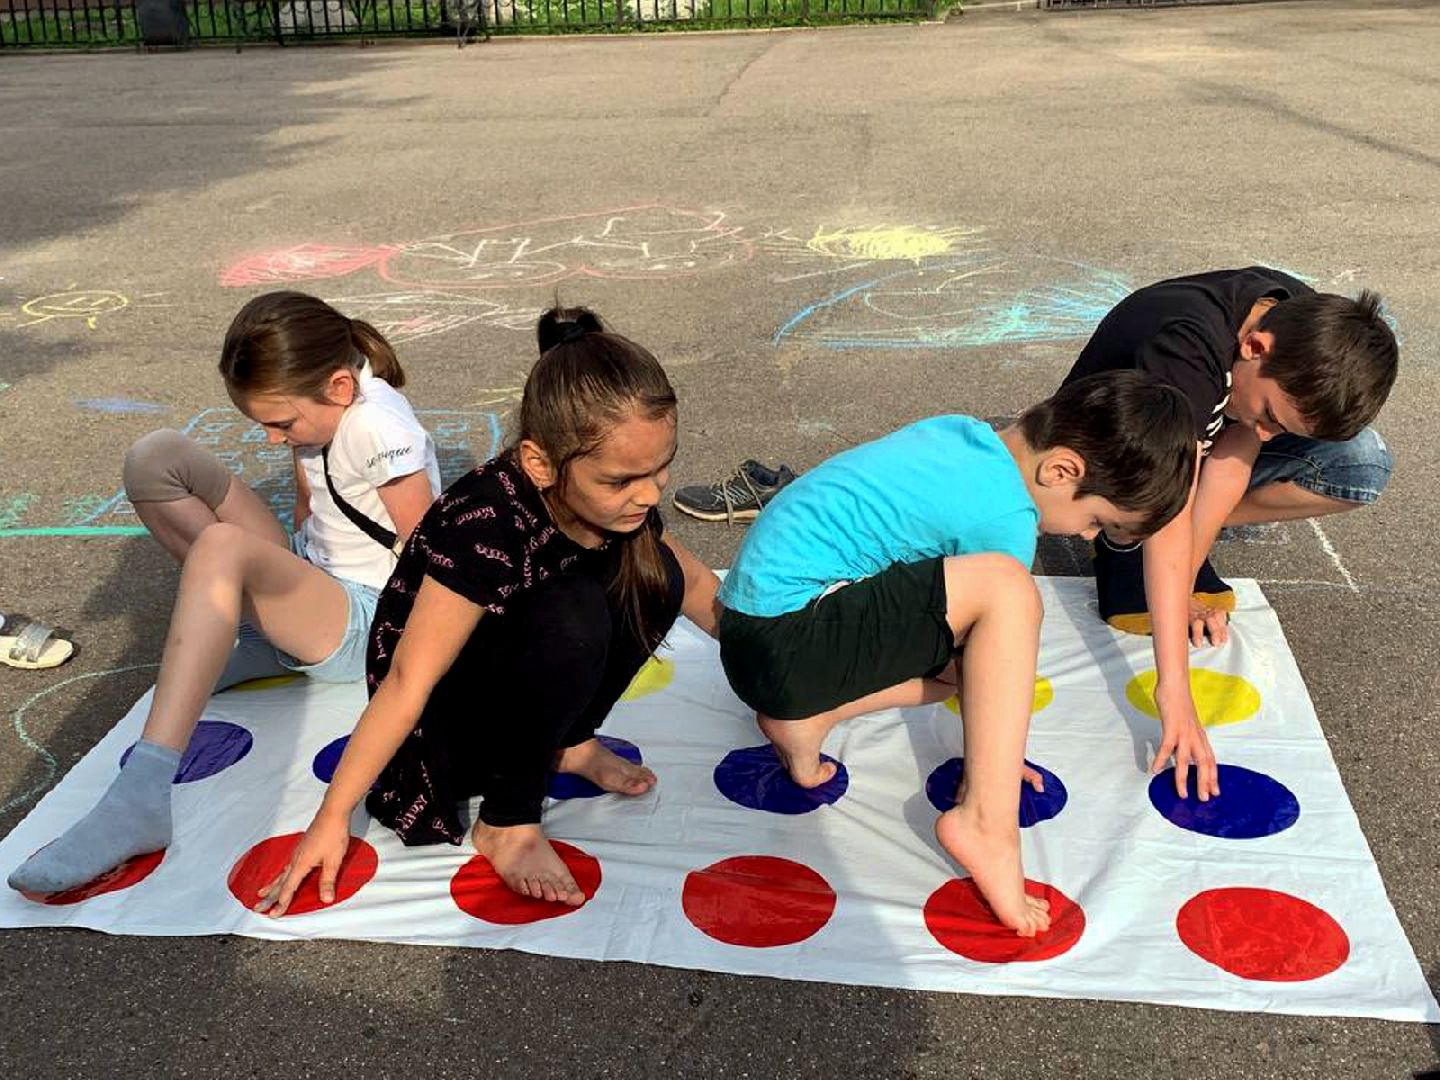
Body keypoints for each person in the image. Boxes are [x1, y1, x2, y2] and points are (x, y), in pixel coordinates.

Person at [255, 307, 721, 916]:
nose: (652, 493)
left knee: (653, 573)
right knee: (574, 614)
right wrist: (331, 817)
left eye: (662, 469)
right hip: (448, 733)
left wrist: (782, 677)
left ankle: (568, 742)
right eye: (623, 479)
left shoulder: (616, 500)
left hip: (525, 697)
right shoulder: (484, 525)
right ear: (539, 464)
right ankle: (507, 821)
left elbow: (697, 586)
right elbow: (406, 681)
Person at [716, 372, 1196, 936]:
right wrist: (993, 764)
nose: (1089, 539)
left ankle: (809, 719)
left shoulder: (965, 434)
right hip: (786, 644)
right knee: (1008, 592)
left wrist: (994, 732)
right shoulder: (1004, 519)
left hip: (755, 634)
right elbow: (997, 644)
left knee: (962, 671)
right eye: (1098, 522)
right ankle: (986, 824)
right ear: (1061, 471)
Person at [8, 291, 439, 896]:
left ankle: (140, 799)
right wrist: (278, 587)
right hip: (318, 581)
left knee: (221, 549)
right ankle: (257, 634)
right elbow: (310, 506)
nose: (269, 440)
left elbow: (432, 559)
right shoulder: (327, 399)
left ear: (340, 387)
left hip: (366, 622)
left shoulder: (377, 425)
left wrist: (419, 672)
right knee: (155, 458)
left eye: (280, 425)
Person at [1063, 269, 1398, 803]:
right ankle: (1122, 536)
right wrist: (1175, 691)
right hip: (1103, 445)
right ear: (1254, 345)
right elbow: (1177, 492)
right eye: (1271, 415)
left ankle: (1148, 549)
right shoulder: (1186, 348)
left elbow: (1234, 455)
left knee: (1360, 462)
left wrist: (1185, 579)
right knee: (1162, 522)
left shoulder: (1301, 325)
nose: (1269, 434)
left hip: (1197, 424)